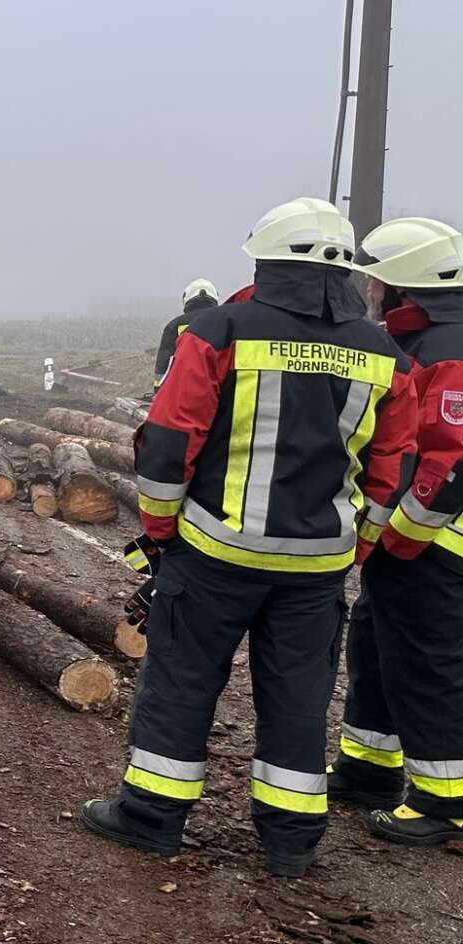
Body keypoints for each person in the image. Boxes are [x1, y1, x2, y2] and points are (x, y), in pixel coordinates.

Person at [80, 197, 418, 877]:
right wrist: (353, 546)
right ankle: (291, 840)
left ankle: (151, 818)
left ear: (264, 261)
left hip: (212, 554)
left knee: (181, 681)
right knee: (298, 696)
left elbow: (169, 442)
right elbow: (394, 465)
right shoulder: (385, 352)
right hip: (318, 566)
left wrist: (161, 533)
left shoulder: (220, 329)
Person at [328, 217, 463, 846]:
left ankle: (445, 800)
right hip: (408, 542)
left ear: (409, 288)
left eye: (378, 281)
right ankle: (368, 768)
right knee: (377, 645)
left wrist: (401, 534)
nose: (370, 292)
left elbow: (451, 462)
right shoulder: (422, 342)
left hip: (436, 544)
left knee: (427, 664)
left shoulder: (449, 349)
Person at [154, 278, 220, 390]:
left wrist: (158, 392)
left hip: (184, 393)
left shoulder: (175, 326)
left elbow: (164, 365)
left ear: (187, 299)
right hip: (220, 392)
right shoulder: (226, 322)